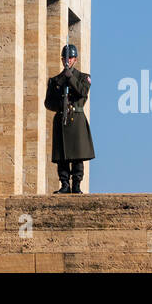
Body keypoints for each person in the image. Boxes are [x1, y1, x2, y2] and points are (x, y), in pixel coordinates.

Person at [45, 42, 95, 193]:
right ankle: (65, 184)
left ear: (75, 59)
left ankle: (77, 185)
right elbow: (48, 102)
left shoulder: (83, 77)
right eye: (65, 58)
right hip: (62, 119)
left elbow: (82, 92)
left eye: (71, 58)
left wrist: (71, 78)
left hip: (76, 119)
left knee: (77, 155)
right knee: (62, 156)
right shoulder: (55, 81)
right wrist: (61, 83)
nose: (68, 61)